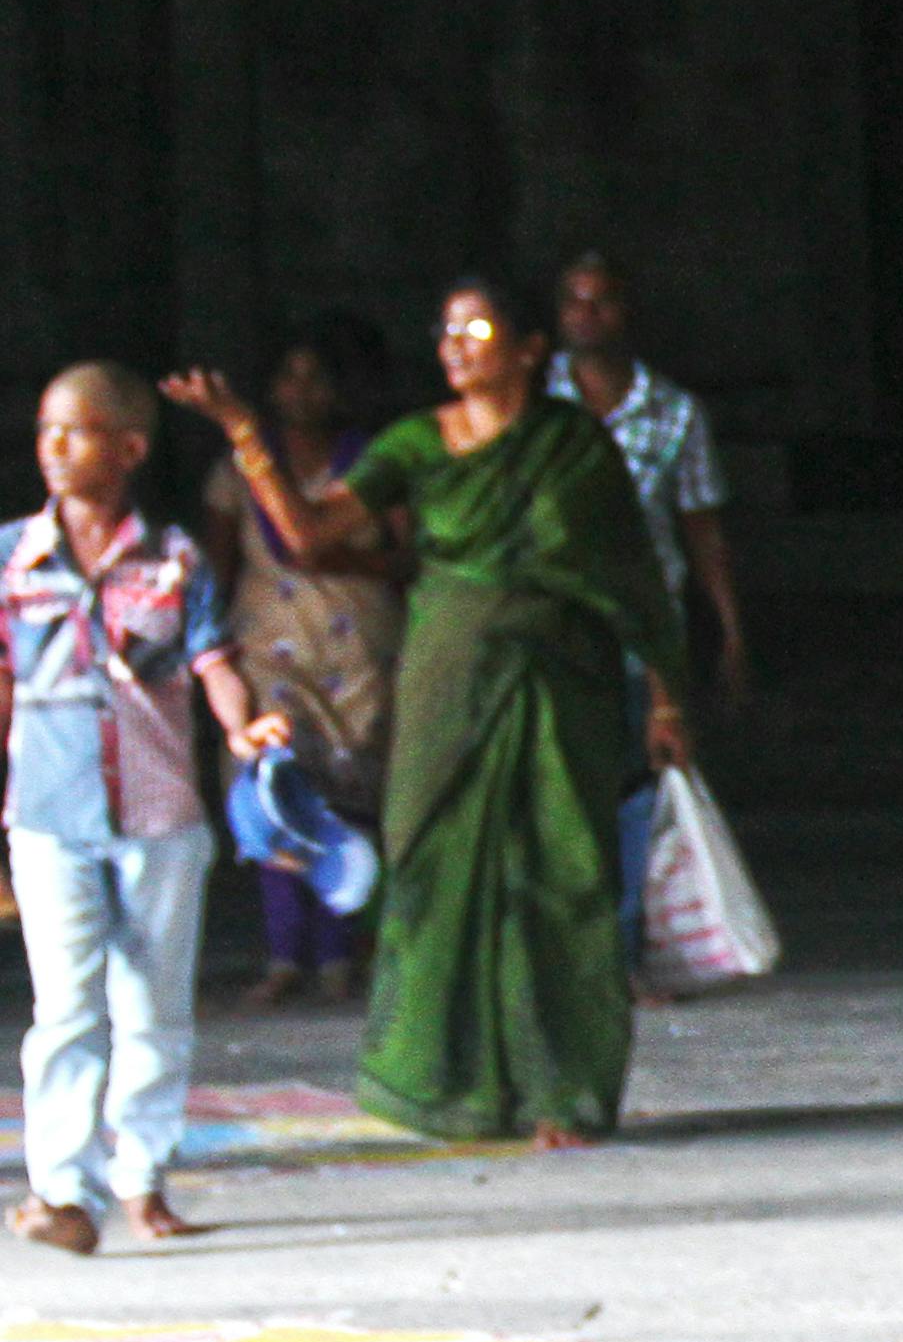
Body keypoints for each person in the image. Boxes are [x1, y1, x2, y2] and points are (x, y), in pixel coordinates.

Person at [168, 279, 691, 1153]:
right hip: (449, 670)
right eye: (446, 331)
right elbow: (308, 534)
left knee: (562, 875)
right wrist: (244, 435)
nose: (456, 345)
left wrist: (668, 694)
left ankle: (562, 1091)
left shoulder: (574, 445)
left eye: (477, 328)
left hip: (562, 677)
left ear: (529, 349)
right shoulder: (416, 441)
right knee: (431, 864)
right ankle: (452, 1088)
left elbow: (632, 573)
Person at [5, 366, 292, 1253]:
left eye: (79, 432)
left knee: (155, 1007)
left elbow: (212, 661)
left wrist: (244, 728)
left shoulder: (173, 559)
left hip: (160, 815)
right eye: (49, 430)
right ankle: (62, 1191)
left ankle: (142, 1178)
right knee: (66, 1009)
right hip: (50, 814)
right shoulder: (14, 557)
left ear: (129, 449)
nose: (56, 447)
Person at [192, 318, 409, 1008]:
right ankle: (286, 954)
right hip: (270, 652)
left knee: (351, 799)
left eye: (318, 377)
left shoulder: (376, 464)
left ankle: (342, 952)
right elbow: (214, 570)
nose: (302, 391)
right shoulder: (235, 473)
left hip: (359, 652)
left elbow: (414, 558)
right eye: (289, 376)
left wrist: (344, 559)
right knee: (274, 793)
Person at [550, 253, 746, 974]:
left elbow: (702, 529)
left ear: (627, 312)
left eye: (601, 302)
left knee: (637, 793)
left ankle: (626, 954)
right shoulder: (531, 403)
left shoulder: (675, 413)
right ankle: (569, 956)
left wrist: (727, 630)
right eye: (574, 301)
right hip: (556, 629)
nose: (586, 314)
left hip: (642, 635)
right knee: (562, 793)